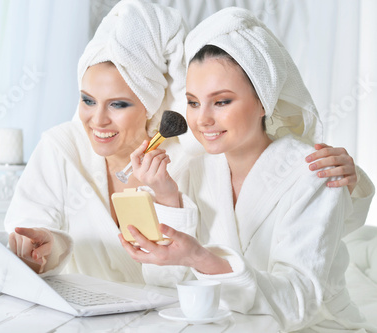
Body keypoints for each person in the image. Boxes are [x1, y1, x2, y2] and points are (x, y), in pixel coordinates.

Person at [120, 7, 375, 332]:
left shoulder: (314, 172)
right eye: (194, 102)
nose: (202, 119)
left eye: (222, 101)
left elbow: (299, 303)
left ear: (264, 102)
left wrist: (201, 258)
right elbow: (164, 286)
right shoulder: (192, 169)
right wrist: (168, 199)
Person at [4, 0, 197, 284]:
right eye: (88, 100)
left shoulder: (183, 163)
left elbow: (184, 276)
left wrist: (166, 198)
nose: (98, 119)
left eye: (118, 105)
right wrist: (45, 244)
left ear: (150, 106)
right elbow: (27, 228)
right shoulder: (61, 147)